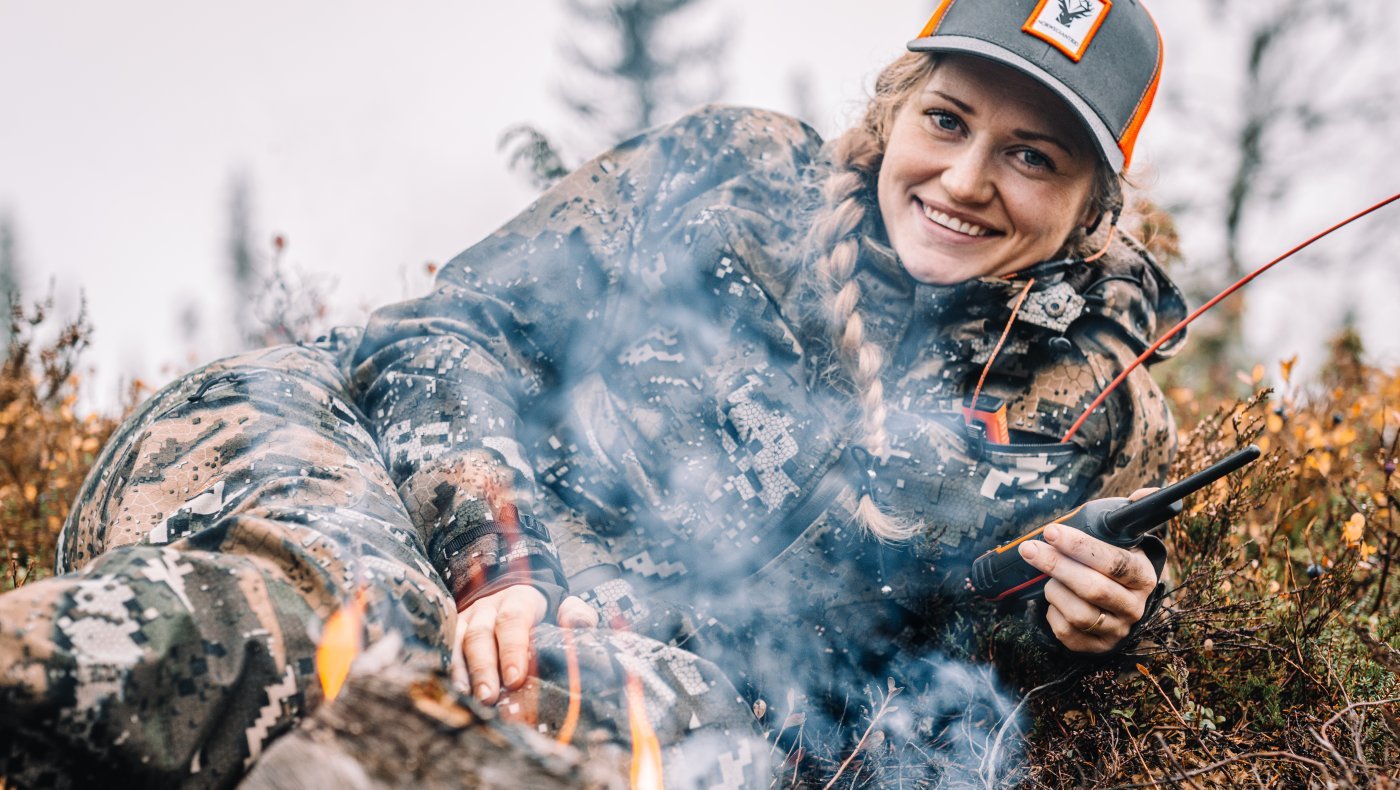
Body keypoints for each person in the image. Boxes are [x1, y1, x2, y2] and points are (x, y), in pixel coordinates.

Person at [0, 0, 1185, 786]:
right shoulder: (729, 170)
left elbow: (928, 669)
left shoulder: (1093, 396)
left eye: (1031, 155)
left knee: (611, 729)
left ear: (1092, 201)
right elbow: (448, 334)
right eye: (947, 120)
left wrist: (1068, 627)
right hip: (371, 477)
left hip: (627, 661)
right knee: (330, 612)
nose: (964, 180)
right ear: (894, 108)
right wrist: (499, 559)